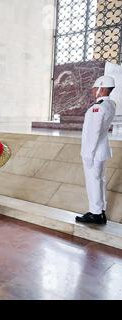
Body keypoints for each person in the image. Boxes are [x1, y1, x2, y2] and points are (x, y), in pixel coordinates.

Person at [76, 75, 116, 225]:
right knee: (100, 180)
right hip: (102, 150)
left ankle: (95, 214)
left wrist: (88, 155)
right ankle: (100, 210)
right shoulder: (111, 105)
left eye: (95, 88)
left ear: (103, 88)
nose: (93, 91)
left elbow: (93, 134)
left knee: (93, 181)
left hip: (94, 152)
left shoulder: (97, 108)